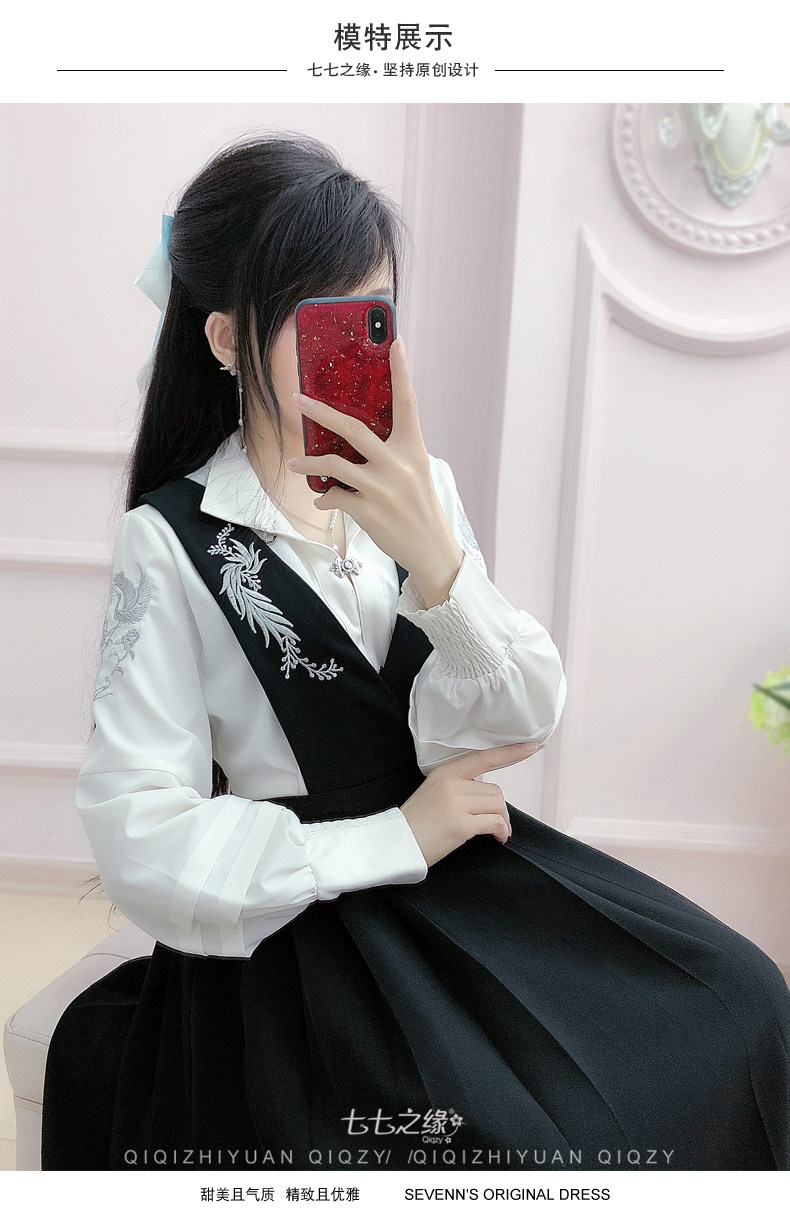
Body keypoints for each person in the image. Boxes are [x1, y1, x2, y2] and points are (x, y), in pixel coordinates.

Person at [41, 133, 790, 1173]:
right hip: (305, 923)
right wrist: (396, 834)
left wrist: (437, 559)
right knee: (519, 1136)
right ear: (224, 337)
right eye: (321, 317)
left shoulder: (420, 486)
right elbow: (141, 829)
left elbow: (512, 721)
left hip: (459, 867)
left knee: (743, 997)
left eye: (376, 314)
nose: (359, 349)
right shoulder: (169, 540)